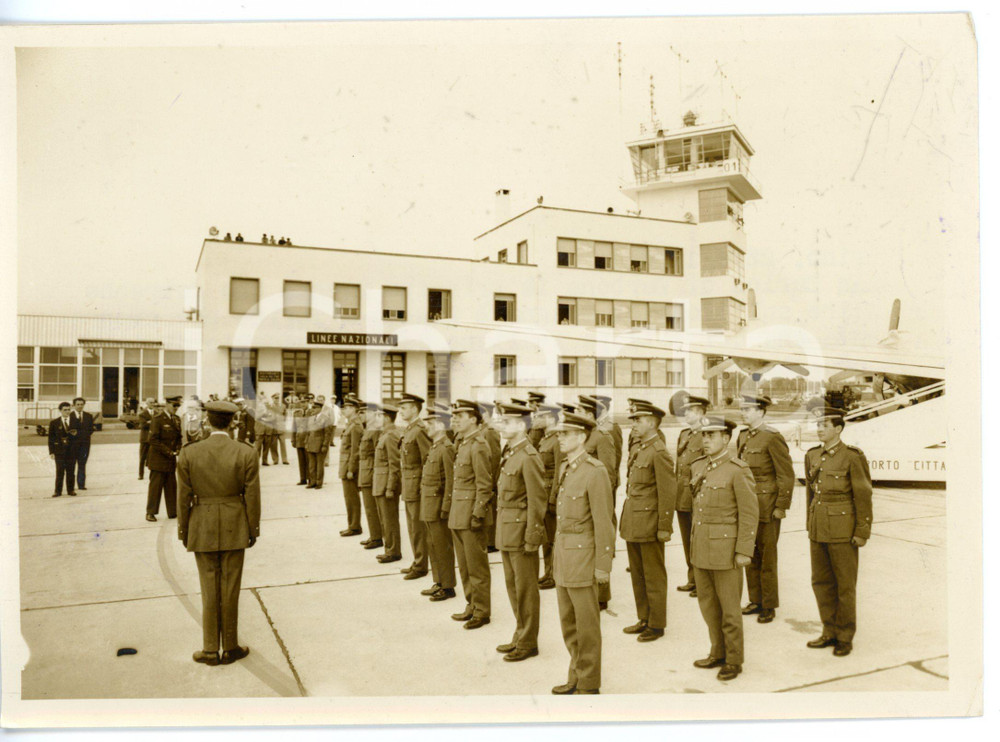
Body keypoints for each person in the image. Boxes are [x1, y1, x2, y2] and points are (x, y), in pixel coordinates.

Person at [176, 400, 260, 666]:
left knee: (208, 587)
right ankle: (230, 647)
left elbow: (183, 497)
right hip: (236, 524)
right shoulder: (245, 452)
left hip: (202, 524)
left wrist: (184, 529)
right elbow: (253, 496)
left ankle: (210, 649)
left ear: (207, 422)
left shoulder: (189, 452)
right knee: (231, 588)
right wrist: (253, 528)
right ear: (232, 422)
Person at [689, 416, 758, 682]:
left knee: (730, 609)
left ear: (726, 439)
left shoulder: (737, 470)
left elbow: (749, 513)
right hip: (701, 548)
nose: (706, 440)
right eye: (704, 436)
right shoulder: (699, 466)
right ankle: (717, 651)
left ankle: (734, 659)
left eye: (712, 436)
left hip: (726, 552)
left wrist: (744, 550)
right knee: (708, 606)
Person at [550, 412, 614, 695]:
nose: (560, 438)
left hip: (584, 558)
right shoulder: (567, 467)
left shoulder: (594, 470)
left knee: (586, 626)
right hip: (565, 557)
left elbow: (603, 522)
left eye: (565, 434)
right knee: (569, 623)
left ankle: (589, 683)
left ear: (581, 436)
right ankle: (575, 674)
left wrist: (603, 565)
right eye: (559, 433)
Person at [804, 406, 873, 657]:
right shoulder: (812, 455)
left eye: (825, 425)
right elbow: (811, 493)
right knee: (821, 582)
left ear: (838, 429)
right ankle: (829, 630)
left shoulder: (852, 456)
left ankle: (844, 635)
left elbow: (863, 495)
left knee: (845, 584)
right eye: (818, 425)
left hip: (843, 529)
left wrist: (862, 530)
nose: (819, 429)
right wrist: (809, 523)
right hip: (818, 527)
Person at [494, 403, 547, 663]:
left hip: (521, 533)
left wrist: (532, 537)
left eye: (507, 422)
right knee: (513, 587)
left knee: (525, 590)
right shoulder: (511, 452)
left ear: (521, 425)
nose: (501, 425)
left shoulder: (528, 456)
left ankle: (528, 642)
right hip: (507, 530)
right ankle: (520, 634)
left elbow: (537, 501)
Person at [737, 394, 795, 624]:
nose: (743, 413)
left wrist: (781, 506)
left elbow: (785, 474)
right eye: (742, 409)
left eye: (748, 409)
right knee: (750, 553)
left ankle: (769, 605)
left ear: (761, 412)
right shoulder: (743, 436)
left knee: (767, 557)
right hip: (747, 505)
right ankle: (755, 599)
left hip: (767, 506)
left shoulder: (772, 437)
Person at [620, 402, 676, 643]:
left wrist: (664, 526)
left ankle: (657, 623)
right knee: (638, 575)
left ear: (652, 423)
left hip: (650, 522)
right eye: (633, 420)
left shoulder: (658, 452)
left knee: (653, 576)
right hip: (634, 521)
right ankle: (644, 617)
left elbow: (668, 492)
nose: (633, 424)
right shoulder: (640, 449)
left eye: (638, 420)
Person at [447, 400, 494, 630]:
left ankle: (482, 611)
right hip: (458, 512)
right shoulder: (464, 443)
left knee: (477, 567)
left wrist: (478, 514)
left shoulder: (479, 445)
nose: (454, 419)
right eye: (454, 416)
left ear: (474, 419)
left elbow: (484, 484)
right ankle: (472, 604)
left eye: (460, 416)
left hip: (471, 516)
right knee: (465, 566)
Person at [578, 395, 617, 610]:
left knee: (600, 543)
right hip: (582, 499)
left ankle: (602, 595)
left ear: (590, 415)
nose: (577, 415)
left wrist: (603, 502)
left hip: (597, 499)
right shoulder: (584, 436)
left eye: (581, 412)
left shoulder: (602, 437)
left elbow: (609, 473)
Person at [419, 408, 457, 602]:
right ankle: (439, 581)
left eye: (431, 424)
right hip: (429, 504)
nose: (427, 427)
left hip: (438, 505)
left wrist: (446, 506)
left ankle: (448, 586)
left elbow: (450, 480)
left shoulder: (446, 448)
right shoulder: (435, 447)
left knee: (443, 546)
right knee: (433, 545)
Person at [675, 394, 709, 596]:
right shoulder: (684, 434)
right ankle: (692, 578)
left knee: (699, 540)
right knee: (687, 539)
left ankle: (702, 582)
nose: (686, 414)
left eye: (689, 411)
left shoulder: (706, 435)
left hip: (697, 496)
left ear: (700, 413)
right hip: (682, 495)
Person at [398, 393, 432, 580]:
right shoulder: (410, 429)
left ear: (414, 408)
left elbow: (428, 460)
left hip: (417, 486)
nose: (400, 411)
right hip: (409, 485)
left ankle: (421, 565)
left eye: (404, 408)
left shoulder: (419, 430)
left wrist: (423, 487)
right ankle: (417, 560)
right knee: (412, 527)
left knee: (418, 528)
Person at [533, 403, 562, 590]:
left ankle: (554, 574)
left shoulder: (557, 440)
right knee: (546, 538)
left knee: (553, 538)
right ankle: (548, 571)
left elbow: (559, 470)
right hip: (543, 493)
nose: (535, 419)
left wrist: (553, 498)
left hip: (551, 493)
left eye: (539, 416)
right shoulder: (545, 439)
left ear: (550, 418)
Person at [372, 404, 403, 563]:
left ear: (386, 418)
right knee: (385, 519)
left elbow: (394, 464)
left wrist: (390, 487)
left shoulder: (391, 436)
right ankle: (389, 549)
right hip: (380, 483)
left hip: (386, 485)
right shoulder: (385, 434)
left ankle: (393, 552)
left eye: (379, 416)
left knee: (389, 520)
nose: (376, 419)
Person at [146, 396, 183, 521]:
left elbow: (179, 437)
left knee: (171, 487)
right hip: (158, 459)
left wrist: (178, 448)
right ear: (167, 404)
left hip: (170, 459)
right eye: (174, 405)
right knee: (155, 487)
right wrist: (168, 452)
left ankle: (172, 512)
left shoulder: (176, 419)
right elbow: (153, 440)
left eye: (178, 406)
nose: (176, 408)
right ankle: (150, 512)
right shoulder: (157, 419)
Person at [357, 400, 384, 550]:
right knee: (369, 507)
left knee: (372, 507)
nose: (361, 415)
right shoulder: (368, 429)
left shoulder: (375, 431)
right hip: (365, 472)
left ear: (373, 414)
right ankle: (374, 534)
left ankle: (377, 537)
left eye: (364, 412)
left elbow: (378, 456)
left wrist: (375, 475)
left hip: (371, 473)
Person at [338, 396, 364, 537]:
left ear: (354, 409)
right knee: (349, 498)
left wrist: (351, 469)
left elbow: (355, 450)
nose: (344, 410)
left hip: (349, 467)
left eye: (347, 408)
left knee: (352, 498)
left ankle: (354, 527)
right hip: (345, 465)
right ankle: (352, 525)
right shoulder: (351, 424)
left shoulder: (356, 426)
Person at [477, 402, 502, 554]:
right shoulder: (483, 430)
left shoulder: (490, 432)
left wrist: (491, 481)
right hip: (486, 477)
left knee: (491, 509)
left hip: (490, 478)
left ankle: (492, 542)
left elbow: (494, 458)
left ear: (486, 414)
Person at [48, 402, 78, 497]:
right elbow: (51, 438)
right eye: (65, 410)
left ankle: (71, 490)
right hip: (59, 452)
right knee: (59, 471)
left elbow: (79, 437)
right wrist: (51, 452)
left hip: (72, 451)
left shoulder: (75, 422)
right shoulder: (54, 423)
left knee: (71, 472)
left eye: (69, 409)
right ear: (60, 410)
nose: (67, 412)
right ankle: (57, 491)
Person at [305, 396, 333, 489]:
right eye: (313, 408)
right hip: (311, 444)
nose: (313, 410)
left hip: (320, 445)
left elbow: (327, 434)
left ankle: (319, 482)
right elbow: (308, 432)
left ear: (320, 409)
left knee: (319, 465)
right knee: (311, 465)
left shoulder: (325, 418)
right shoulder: (311, 418)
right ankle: (312, 482)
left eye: (315, 408)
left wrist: (325, 445)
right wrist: (306, 442)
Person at [70, 397, 95, 490]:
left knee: (82, 465)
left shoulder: (88, 416)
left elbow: (91, 430)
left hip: (84, 445)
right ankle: (70, 486)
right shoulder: (69, 416)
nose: (80, 406)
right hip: (72, 446)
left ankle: (81, 485)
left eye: (81, 404)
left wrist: (82, 436)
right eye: (78, 404)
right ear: (74, 405)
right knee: (71, 466)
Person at [292, 394, 312, 485]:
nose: (303, 404)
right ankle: (303, 478)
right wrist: (293, 439)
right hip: (299, 439)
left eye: (304, 402)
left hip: (308, 440)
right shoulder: (296, 413)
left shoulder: (312, 413)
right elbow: (294, 427)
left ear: (308, 402)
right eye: (301, 402)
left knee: (309, 460)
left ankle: (311, 478)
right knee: (301, 460)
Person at [268, 393, 290, 465]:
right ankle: (275, 459)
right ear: (272, 399)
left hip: (281, 428)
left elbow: (285, 415)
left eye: (278, 398)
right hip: (273, 428)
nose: (277, 399)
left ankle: (284, 459)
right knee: (273, 445)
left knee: (283, 444)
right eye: (275, 398)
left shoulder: (283, 406)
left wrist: (283, 422)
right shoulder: (269, 406)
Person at [138, 398, 157, 480]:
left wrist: (149, 422)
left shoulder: (157, 413)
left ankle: (153, 475)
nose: (152, 404)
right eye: (150, 402)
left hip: (154, 439)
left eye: (153, 402)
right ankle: (141, 474)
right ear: (147, 403)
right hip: (145, 439)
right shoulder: (142, 414)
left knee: (154, 458)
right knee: (142, 457)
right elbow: (143, 425)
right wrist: (152, 422)